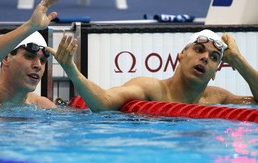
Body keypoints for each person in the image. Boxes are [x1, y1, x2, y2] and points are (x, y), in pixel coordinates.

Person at [47, 29, 258, 112]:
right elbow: (102, 103)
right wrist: (72, 71)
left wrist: (238, 61)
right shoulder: (151, 89)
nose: (205, 57)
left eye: (214, 58)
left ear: (215, 72)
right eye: (199, 50)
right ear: (181, 55)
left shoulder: (216, 97)